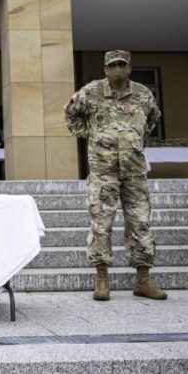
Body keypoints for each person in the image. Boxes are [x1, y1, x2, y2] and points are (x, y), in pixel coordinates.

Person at [64, 50, 166, 301]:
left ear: (129, 68)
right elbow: (71, 114)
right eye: (113, 65)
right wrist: (92, 134)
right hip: (103, 170)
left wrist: (134, 140)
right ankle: (102, 279)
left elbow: (153, 118)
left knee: (140, 222)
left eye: (122, 65)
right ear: (105, 69)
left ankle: (143, 280)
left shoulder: (143, 93)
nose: (118, 69)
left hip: (134, 170)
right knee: (101, 223)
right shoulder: (91, 92)